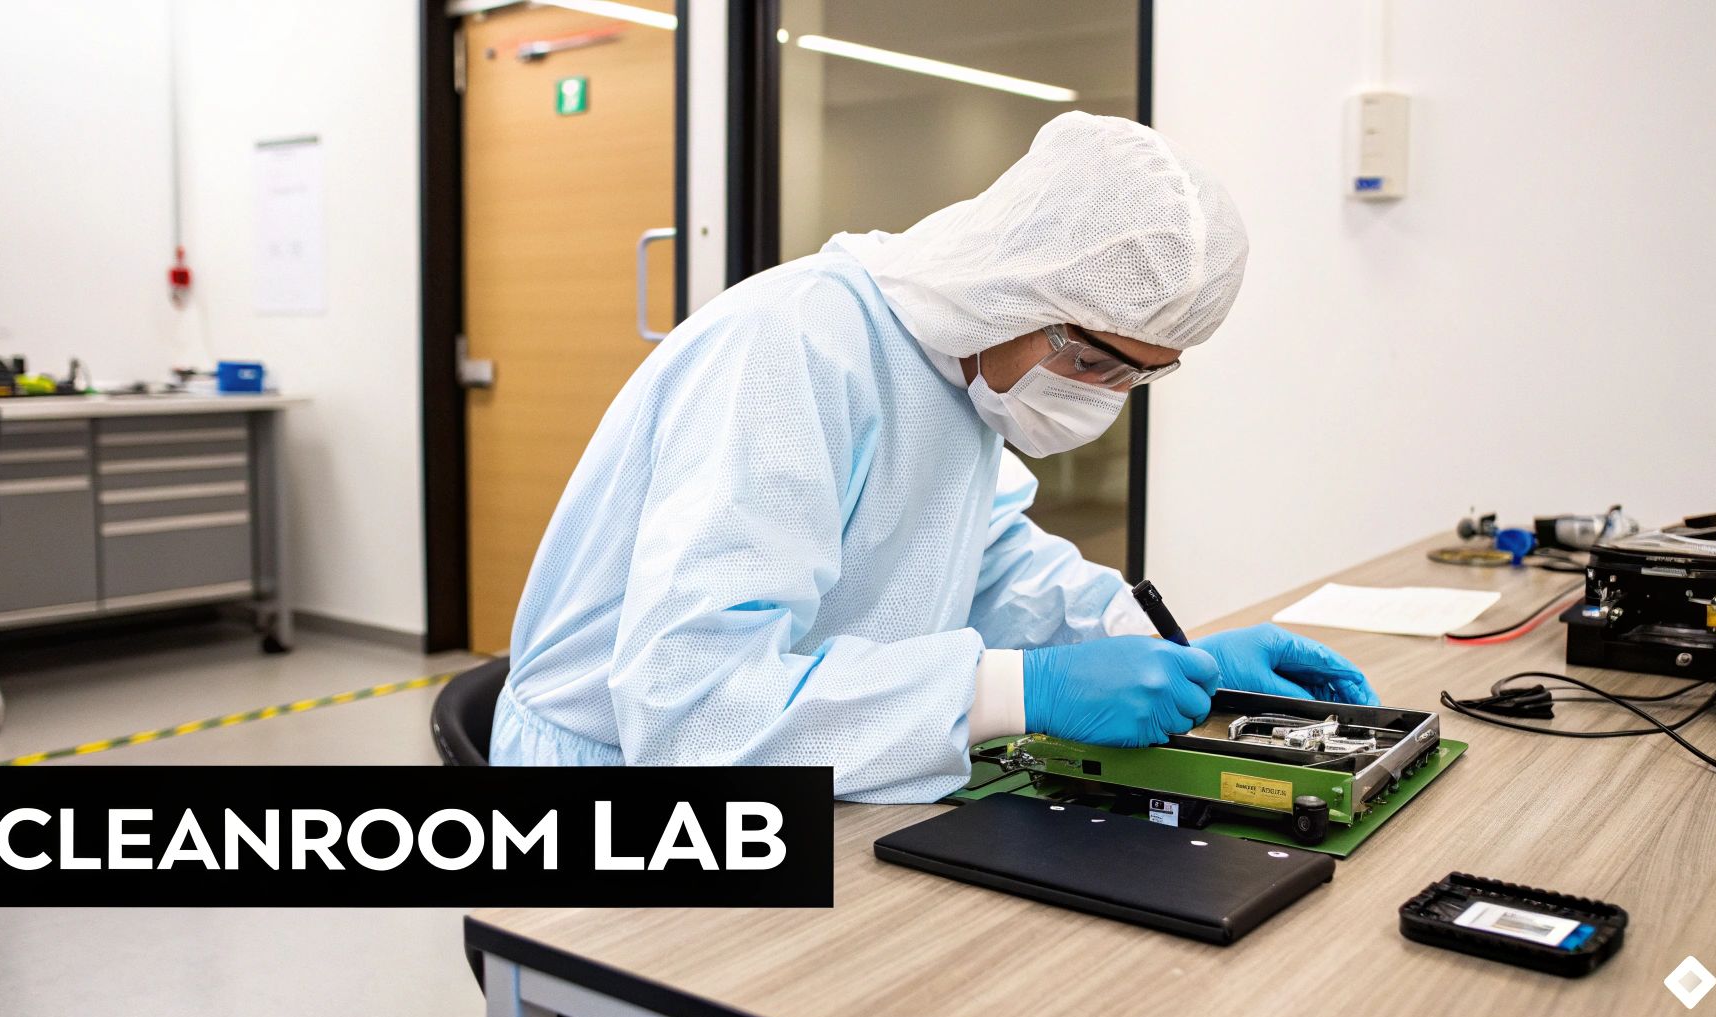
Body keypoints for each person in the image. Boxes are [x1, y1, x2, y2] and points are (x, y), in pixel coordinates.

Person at [489, 112, 1376, 801]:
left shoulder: (955, 370)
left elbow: (991, 567)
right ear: (1016, 285)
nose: (1102, 393)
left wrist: (1166, 648)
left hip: (805, 768)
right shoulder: (793, 348)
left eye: (1140, 375)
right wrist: (1020, 691)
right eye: (1092, 357)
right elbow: (695, 706)